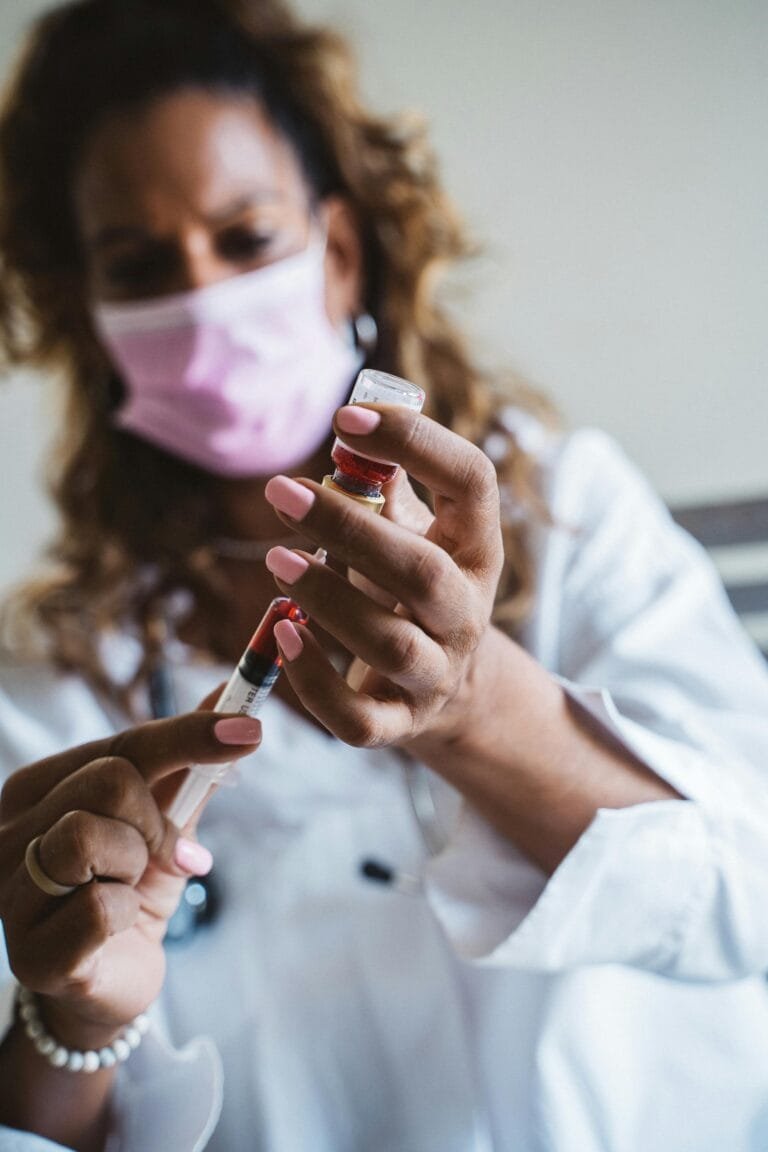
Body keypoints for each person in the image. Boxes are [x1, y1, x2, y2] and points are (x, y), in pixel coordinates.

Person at [0, 0, 767, 1149]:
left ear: (339, 250)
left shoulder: (567, 509)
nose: (205, 300)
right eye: (143, 266)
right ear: (93, 316)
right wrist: (73, 1015)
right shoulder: (52, 680)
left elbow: (748, 895)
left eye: (248, 239)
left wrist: (475, 707)